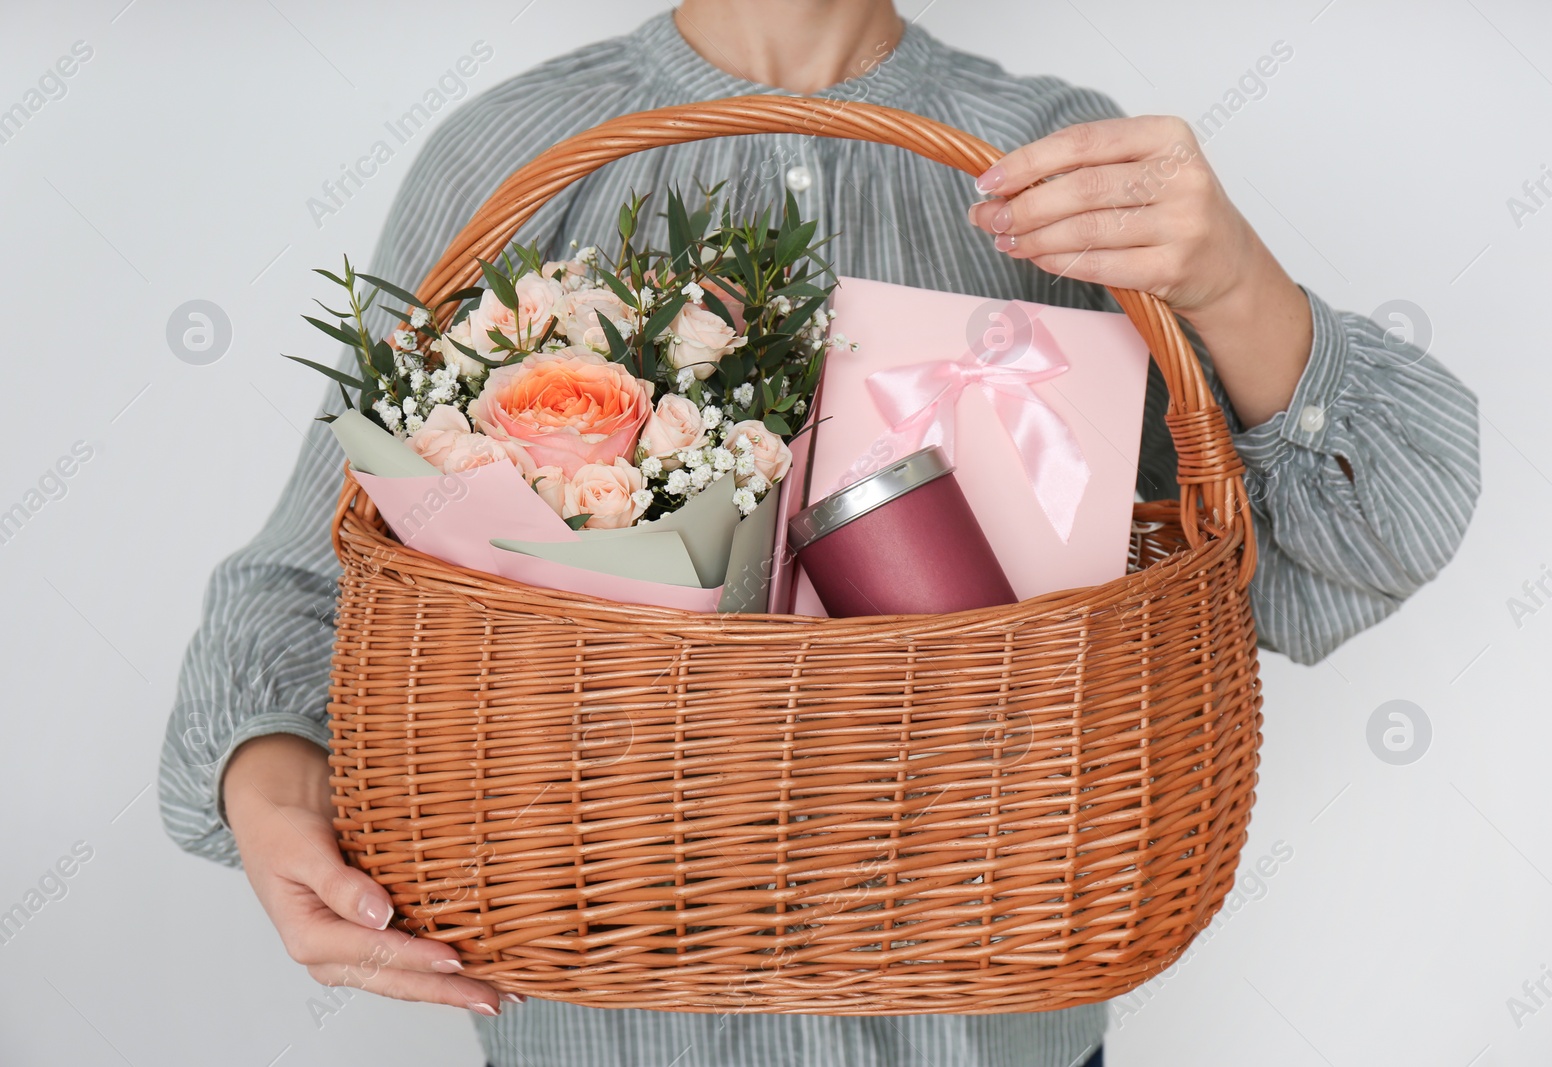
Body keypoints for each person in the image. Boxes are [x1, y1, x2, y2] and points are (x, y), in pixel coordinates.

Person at [159, 2, 1480, 1065]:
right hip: (604, 1021)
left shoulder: (1056, 160)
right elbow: (325, 572)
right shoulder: (511, 155)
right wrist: (273, 798)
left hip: (995, 1015)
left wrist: (1233, 277)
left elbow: (1355, 538)